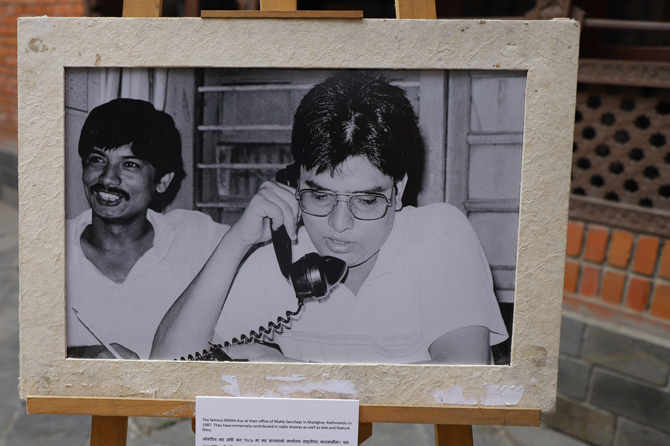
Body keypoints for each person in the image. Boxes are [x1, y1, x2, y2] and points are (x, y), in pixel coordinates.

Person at [150, 72, 508, 364]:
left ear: (398, 191)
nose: (339, 224)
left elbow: (461, 378)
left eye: (366, 201)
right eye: (320, 196)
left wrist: (294, 375)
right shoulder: (282, 255)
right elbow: (167, 364)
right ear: (293, 183)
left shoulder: (439, 234)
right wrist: (237, 241)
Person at [66, 98, 228, 360]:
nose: (108, 178)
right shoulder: (45, 248)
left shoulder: (199, 237)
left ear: (162, 181)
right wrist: (82, 354)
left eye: (129, 164)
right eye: (97, 160)